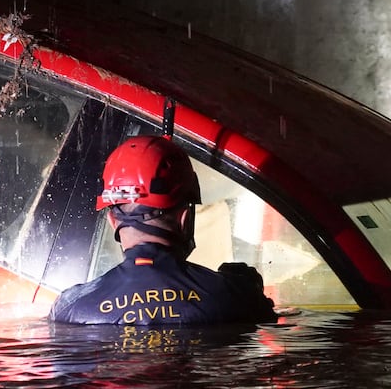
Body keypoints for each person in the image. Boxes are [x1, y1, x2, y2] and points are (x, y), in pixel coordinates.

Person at [48, 135, 278, 326]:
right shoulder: (236, 297)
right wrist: (248, 287)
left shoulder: (71, 309)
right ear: (185, 219)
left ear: (112, 220)